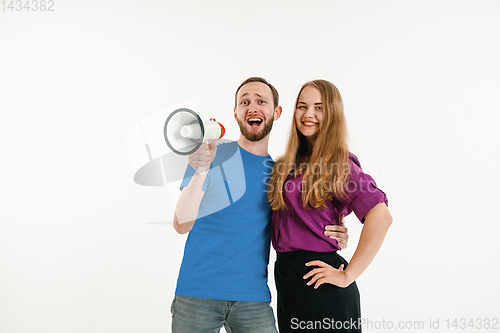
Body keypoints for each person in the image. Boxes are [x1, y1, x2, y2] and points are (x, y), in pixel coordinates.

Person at [170, 77, 350, 333]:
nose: (252, 107)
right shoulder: (212, 154)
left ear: (276, 112)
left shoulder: (283, 174)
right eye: (245, 102)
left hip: (253, 299)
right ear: (235, 113)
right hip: (197, 295)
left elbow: (300, 221)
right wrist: (201, 170)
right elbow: (181, 224)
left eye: (261, 101)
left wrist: (335, 230)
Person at [267, 79, 393, 332]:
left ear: (332, 114)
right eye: (302, 106)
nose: (308, 114)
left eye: (319, 107)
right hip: (288, 281)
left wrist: (348, 275)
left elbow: (381, 217)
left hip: (321, 283)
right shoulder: (286, 164)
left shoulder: (338, 164)